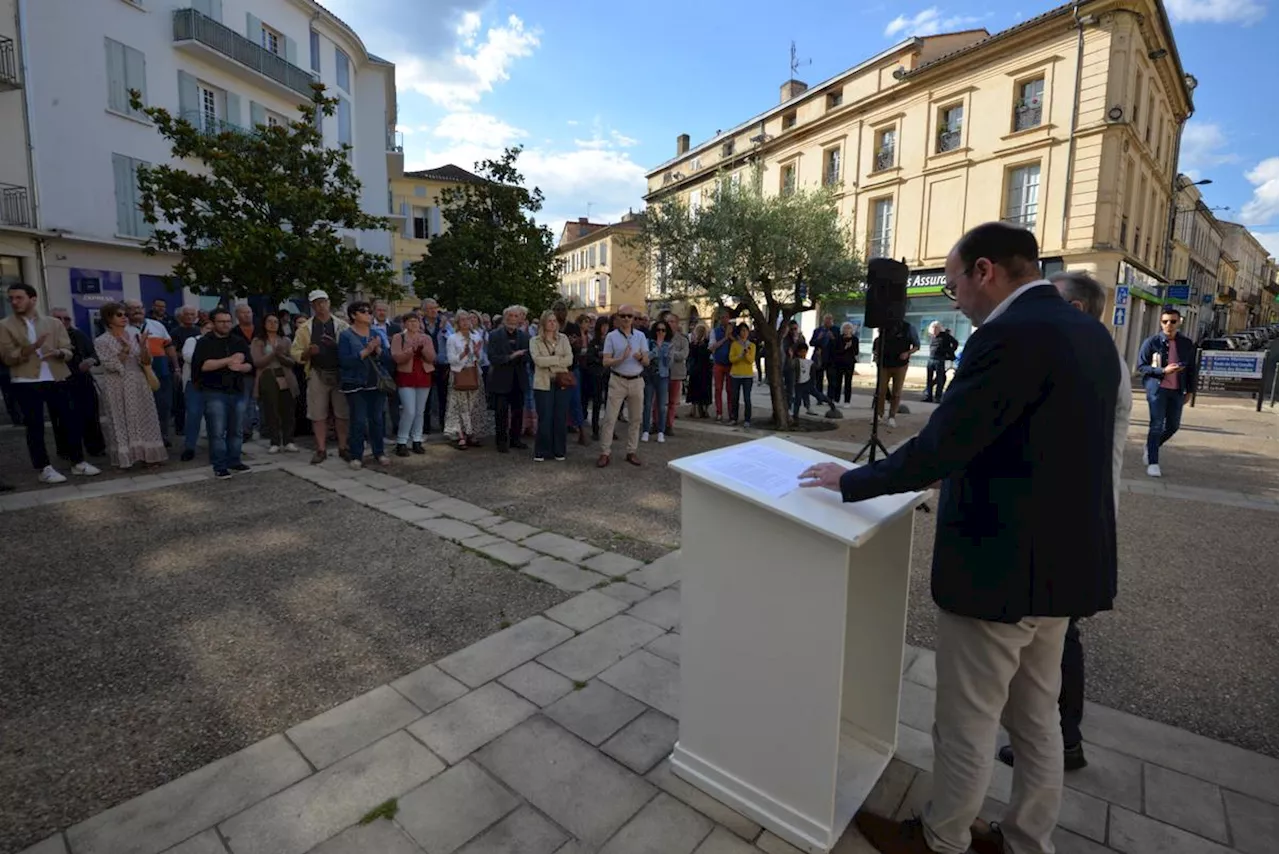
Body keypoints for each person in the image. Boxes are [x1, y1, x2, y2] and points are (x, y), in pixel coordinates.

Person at [799, 222, 1120, 854]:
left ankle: (943, 840)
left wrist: (853, 480)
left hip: (1001, 565)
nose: (954, 299)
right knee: (1037, 720)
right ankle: (1029, 839)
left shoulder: (1007, 335)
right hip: (1063, 566)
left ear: (985, 272)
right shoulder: (1090, 331)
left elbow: (944, 445)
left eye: (952, 284)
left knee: (967, 722)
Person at [989, 271, 1132, 776]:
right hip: (1083, 517)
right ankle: (1058, 736)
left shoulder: (1091, 358)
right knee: (1058, 632)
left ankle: (1063, 738)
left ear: (1072, 307)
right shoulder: (1095, 354)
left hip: (1075, 520)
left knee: (1060, 636)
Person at [1, 283, 100, 483]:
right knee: (35, 425)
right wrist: (32, 348)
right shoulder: (4, 325)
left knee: (70, 420)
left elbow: (68, 349)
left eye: (19, 297)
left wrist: (59, 352)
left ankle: (78, 462)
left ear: (33, 299)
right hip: (25, 380)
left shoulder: (53, 323)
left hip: (57, 377)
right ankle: (44, 468)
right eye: (11, 298)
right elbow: (7, 357)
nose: (14, 302)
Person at [95, 301, 170, 469]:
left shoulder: (135, 332)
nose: (124, 318)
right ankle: (125, 458)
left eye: (125, 315)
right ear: (109, 318)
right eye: (119, 315)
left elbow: (146, 361)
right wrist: (125, 350)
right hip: (116, 384)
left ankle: (149, 457)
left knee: (144, 417)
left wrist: (143, 346)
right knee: (120, 418)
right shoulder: (102, 340)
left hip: (138, 381)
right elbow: (110, 365)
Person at [192, 308, 254, 479]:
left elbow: (250, 365)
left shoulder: (238, 341)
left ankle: (234, 460)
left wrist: (241, 367)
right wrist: (229, 360)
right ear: (213, 323)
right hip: (214, 392)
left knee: (237, 430)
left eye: (228, 321)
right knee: (217, 431)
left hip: (237, 390)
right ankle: (219, 465)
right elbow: (204, 365)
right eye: (221, 321)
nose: (226, 324)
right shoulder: (205, 342)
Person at [1136, 307, 1197, 478]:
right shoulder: (1151, 342)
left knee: (1173, 426)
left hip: (1177, 390)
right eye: (1165, 321)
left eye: (1173, 321)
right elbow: (1141, 366)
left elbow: (1192, 368)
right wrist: (1163, 371)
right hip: (1157, 390)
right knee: (1156, 425)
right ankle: (1153, 462)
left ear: (1179, 323)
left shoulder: (1186, 344)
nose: (1168, 325)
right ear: (1161, 323)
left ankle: (1151, 446)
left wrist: (1190, 391)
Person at [292, 290, 350, 464]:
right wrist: (308, 353)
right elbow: (295, 352)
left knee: (342, 413)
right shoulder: (305, 328)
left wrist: (336, 346)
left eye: (323, 302)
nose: (321, 305)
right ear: (312, 306)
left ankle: (343, 447)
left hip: (339, 372)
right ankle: (321, 449)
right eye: (317, 303)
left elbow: (350, 349)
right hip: (317, 372)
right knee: (318, 414)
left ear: (329, 302)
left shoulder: (342, 326)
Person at [337, 301, 390, 468]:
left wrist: (379, 351)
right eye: (363, 311)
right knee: (358, 420)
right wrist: (365, 352)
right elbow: (344, 361)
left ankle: (379, 452)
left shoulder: (376, 333)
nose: (368, 314)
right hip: (355, 383)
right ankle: (356, 455)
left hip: (376, 381)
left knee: (377, 419)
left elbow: (387, 359)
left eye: (369, 311)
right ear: (353, 315)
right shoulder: (346, 335)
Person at [597, 304, 650, 467]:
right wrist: (621, 359)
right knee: (610, 418)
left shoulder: (640, 336)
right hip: (618, 380)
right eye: (623, 316)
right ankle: (605, 452)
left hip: (636, 380)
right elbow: (605, 361)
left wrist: (640, 358)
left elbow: (647, 361)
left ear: (634, 319)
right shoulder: (611, 336)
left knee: (635, 419)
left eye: (630, 316)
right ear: (618, 318)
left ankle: (631, 451)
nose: (627, 319)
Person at [50, 308, 107, 459]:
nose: (62, 322)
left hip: (82, 380)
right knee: (61, 418)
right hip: (58, 382)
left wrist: (91, 360)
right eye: (58, 319)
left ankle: (96, 447)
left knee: (90, 414)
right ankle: (67, 450)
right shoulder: (48, 337)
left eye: (66, 319)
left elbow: (95, 353)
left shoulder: (78, 334)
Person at [127, 299, 178, 448]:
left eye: (140, 307)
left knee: (163, 405)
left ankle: (162, 435)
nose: (137, 310)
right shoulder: (123, 328)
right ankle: (141, 438)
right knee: (139, 406)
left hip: (160, 370)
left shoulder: (157, 325)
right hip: (136, 372)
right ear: (126, 311)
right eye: (132, 308)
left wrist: (176, 367)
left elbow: (169, 347)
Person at [251, 314, 300, 454]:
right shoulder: (258, 341)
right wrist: (273, 353)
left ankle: (289, 440)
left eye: (275, 322)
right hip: (268, 376)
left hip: (285, 376)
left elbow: (292, 362)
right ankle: (275, 441)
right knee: (271, 410)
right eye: (269, 322)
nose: (273, 324)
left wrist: (280, 355)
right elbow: (258, 362)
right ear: (264, 324)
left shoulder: (285, 340)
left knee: (288, 410)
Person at [530, 310, 574, 461]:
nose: (553, 323)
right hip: (543, 383)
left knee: (560, 417)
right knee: (545, 417)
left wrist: (550, 361)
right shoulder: (535, 341)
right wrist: (557, 360)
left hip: (562, 382)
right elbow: (538, 361)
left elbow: (569, 359)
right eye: (549, 321)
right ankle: (542, 451)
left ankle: (559, 450)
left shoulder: (564, 339)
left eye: (555, 321)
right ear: (543, 323)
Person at [487, 306, 531, 453]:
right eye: (510, 316)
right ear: (505, 318)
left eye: (516, 316)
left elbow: (528, 356)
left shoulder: (525, 336)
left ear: (520, 319)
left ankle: (515, 439)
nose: (513, 319)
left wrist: (520, 356)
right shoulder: (494, 335)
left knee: (518, 412)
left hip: (519, 379)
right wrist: (511, 357)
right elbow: (492, 358)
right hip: (501, 379)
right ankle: (501, 441)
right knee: (501, 413)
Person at [391, 312, 435, 456]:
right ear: (404, 324)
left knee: (419, 411)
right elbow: (397, 357)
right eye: (410, 322)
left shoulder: (426, 338)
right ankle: (401, 441)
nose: (413, 324)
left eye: (416, 321)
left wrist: (423, 349)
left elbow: (432, 357)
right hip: (406, 376)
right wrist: (411, 350)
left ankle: (417, 439)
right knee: (409, 410)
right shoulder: (399, 337)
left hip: (423, 375)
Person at [445, 311, 487, 449]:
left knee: (473, 406)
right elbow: (451, 359)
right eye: (462, 320)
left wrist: (475, 352)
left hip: (474, 373)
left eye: (467, 319)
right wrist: (463, 353)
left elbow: (481, 358)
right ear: (457, 322)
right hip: (459, 374)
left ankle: (472, 433)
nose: (465, 322)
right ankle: (460, 435)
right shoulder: (453, 338)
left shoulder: (476, 336)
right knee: (460, 406)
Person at [872, 316, 919, 429]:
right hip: (884, 363)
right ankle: (879, 414)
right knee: (881, 390)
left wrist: (907, 353)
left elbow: (917, 345)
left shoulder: (908, 328)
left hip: (900, 364)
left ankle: (892, 416)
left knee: (896, 391)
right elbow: (879, 341)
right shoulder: (884, 327)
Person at [179, 318, 213, 462]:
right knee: (193, 415)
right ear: (202, 329)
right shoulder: (192, 341)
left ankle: (216, 446)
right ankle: (190, 447)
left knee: (214, 416)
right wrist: (211, 361)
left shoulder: (219, 342)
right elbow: (188, 357)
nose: (210, 331)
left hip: (214, 384)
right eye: (208, 328)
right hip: (194, 383)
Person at [421, 298, 452, 434]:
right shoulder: (420, 324)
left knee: (444, 396)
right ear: (424, 311)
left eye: (435, 308)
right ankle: (425, 426)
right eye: (430, 308)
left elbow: (452, 339)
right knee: (425, 397)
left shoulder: (444, 323)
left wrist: (444, 329)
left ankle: (444, 424)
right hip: (425, 364)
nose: (434, 311)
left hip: (442, 364)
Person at [171, 307, 202, 437]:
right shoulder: (175, 332)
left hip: (199, 370)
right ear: (181, 316)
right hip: (182, 368)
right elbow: (172, 351)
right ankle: (180, 427)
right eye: (187, 314)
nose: (190, 317)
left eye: (192, 314)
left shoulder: (198, 330)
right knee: (180, 399)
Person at [642, 319, 674, 444]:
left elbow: (668, 363)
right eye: (658, 330)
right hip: (649, 376)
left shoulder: (669, 344)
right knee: (648, 405)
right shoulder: (649, 342)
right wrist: (656, 349)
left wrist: (663, 349)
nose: (660, 332)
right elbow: (646, 358)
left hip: (663, 376)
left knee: (661, 406)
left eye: (663, 330)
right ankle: (645, 430)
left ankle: (661, 431)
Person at [581, 315, 611, 440]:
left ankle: (609, 429)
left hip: (609, 374)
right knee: (597, 403)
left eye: (606, 326)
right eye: (602, 326)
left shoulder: (611, 340)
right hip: (597, 374)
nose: (605, 329)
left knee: (610, 404)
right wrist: (601, 358)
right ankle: (595, 429)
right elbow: (590, 358)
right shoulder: (594, 342)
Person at [232, 303, 258, 442]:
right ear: (237, 315)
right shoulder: (234, 332)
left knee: (257, 402)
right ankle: (245, 430)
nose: (247, 315)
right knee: (245, 402)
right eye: (243, 312)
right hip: (244, 373)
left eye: (249, 312)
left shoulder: (260, 330)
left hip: (261, 370)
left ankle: (259, 427)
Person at [790, 341, 828, 421]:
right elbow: (791, 366)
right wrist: (791, 357)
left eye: (805, 352)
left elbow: (818, 366)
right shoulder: (796, 361)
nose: (804, 353)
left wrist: (818, 356)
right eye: (801, 352)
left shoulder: (809, 362)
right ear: (798, 352)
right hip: (799, 384)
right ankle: (795, 415)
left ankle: (829, 402)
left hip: (808, 384)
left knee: (818, 395)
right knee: (798, 400)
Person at [727, 322, 756, 427]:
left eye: (746, 330)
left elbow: (751, 360)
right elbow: (731, 359)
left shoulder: (752, 345)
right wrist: (740, 355)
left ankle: (747, 419)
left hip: (747, 376)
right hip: (735, 374)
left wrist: (746, 354)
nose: (744, 333)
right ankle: (734, 418)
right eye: (742, 331)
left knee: (747, 398)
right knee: (735, 397)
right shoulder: (734, 345)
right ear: (739, 333)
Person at [924, 321, 959, 403]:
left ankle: (938, 397)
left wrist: (949, 352)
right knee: (929, 379)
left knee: (940, 379)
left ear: (939, 328)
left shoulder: (945, 336)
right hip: (931, 359)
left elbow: (955, 343)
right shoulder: (932, 337)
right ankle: (929, 396)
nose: (934, 330)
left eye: (936, 328)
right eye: (933, 328)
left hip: (939, 359)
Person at [665, 318, 689, 436]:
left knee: (672, 401)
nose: (670, 323)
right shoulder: (661, 336)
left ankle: (669, 424)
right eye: (668, 321)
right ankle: (656, 422)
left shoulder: (682, 339)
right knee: (658, 400)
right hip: (662, 373)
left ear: (677, 323)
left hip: (676, 373)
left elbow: (683, 355)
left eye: (672, 321)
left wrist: (669, 354)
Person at [710, 311, 734, 421]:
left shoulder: (734, 330)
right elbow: (712, 347)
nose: (724, 319)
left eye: (726, 317)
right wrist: (725, 338)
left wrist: (731, 336)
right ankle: (719, 412)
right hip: (718, 363)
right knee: (718, 389)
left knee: (730, 390)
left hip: (730, 364)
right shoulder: (714, 332)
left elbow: (739, 343)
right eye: (722, 317)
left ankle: (731, 412)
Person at [685, 323, 713, 418]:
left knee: (697, 389)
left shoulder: (701, 343)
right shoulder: (699, 343)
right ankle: (700, 409)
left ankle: (697, 409)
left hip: (700, 369)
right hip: (702, 369)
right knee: (700, 389)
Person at [809, 313, 837, 399]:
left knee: (831, 379)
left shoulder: (836, 330)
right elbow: (811, 343)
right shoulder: (818, 330)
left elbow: (838, 344)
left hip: (831, 358)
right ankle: (819, 397)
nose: (827, 321)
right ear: (823, 320)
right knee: (818, 379)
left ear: (832, 321)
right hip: (819, 357)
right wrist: (818, 338)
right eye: (826, 320)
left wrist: (833, 338)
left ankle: (830, 397)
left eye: (829, 320)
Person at [830, 322, 859, 405]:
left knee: (848, 382)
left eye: (849, 328)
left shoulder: (854, 339)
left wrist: (851, 346)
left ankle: (847, 401)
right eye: (845, 328)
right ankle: (836, 399)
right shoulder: (839, 338)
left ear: (851, 330)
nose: (847, 330)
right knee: (838, 382)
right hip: (839, 362)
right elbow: (836, 351)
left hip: (849, 363)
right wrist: (845, 347)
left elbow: (856, 352)